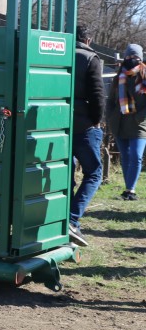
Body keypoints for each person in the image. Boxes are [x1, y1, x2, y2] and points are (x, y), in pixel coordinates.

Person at [68, 25, 105, 247]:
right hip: (84, 126)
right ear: (88, 40)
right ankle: (72, 220)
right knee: (94, 173)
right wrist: (96, 121)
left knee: (66, 173)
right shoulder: (91, 58)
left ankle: (61, 220)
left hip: (59, 122)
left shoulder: (59, 52)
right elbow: (97, 94)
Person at [106, 43, 146, 202]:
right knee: (125, 157)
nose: (131, 59)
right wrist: (110, 117)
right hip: (119, 122)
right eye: (129, 56)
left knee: (136, 156)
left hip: (139, 124)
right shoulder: (119, 77)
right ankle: (128, 189)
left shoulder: (144, 75)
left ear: (141, 58)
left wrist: (139, 117)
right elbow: (110, 101)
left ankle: (131, 189)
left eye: (135, 56)